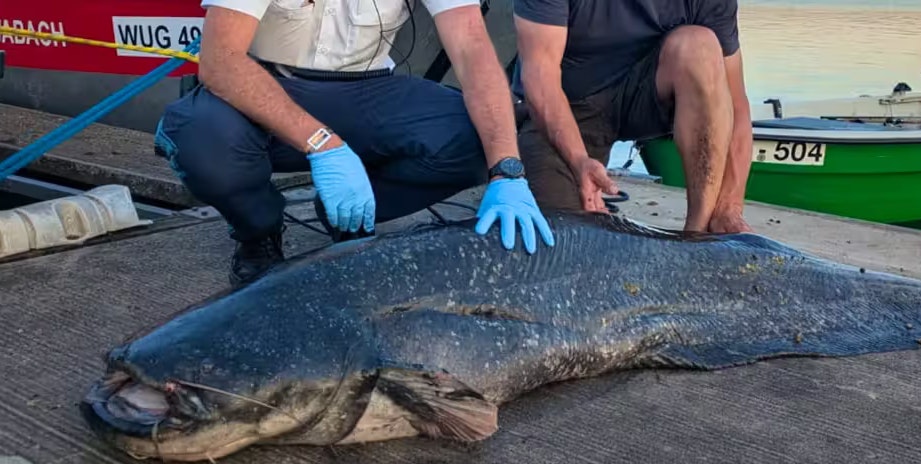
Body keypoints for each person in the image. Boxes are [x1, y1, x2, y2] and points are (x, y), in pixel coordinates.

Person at [154, 0, 555, 287]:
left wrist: (507, 169)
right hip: (267, 86)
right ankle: (257, 231)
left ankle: (350, 215)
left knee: (477, 137)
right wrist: (323, 144)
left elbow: (472, 48)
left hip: (369, 90)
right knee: (199, 136)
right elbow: (221, 60)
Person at [511, 0, 754, 234]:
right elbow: (540, 79)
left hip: (646, 93)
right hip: (568, 106)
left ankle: (698, 233)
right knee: (561, 234)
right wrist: (578, 160)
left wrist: (729, 207)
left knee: (699, 45)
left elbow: (736, 104)